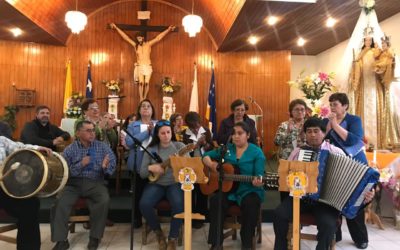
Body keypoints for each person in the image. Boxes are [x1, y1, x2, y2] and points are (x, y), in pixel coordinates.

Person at [273, 117, 375, 250]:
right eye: (309, 131)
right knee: (279, 214)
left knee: (328, 225)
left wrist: (366, 194)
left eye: (316, 131)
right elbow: (287, 176)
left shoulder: (336, 152)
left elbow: (351, 179)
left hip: (326, 203)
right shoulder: (297, 152)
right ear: (305, 134)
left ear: (323, 133)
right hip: (300, 198)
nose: (313, 135)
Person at [50, 120, 116, 250]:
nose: (92, 133)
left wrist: (105, 168)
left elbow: (112, 163)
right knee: (59, 204)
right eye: (88, 130)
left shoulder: (102, 147)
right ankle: (61, 240)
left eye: (93, 130)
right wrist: (81, 164)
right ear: (79, 133)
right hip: (73, 184)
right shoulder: (70, 149)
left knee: (103, 200)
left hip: (95, 182)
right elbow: (66, 171)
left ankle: (94, 238)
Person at [203, 122, 265, 250]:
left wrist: (258, 181)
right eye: (233, 133)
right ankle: (216, 243)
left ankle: (247, 243)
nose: (236, 136)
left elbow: (260, 176)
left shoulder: (257, 152)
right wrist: (212, 165)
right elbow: (205, 156)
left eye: (240, 133)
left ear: (248, 135)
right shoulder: (226, 149)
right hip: (229, 190)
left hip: (249, 190)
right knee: (216, 200)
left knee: (251, 203)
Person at [323, 92, 370, 249]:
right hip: (335, 164)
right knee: (334, 199)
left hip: (354, 163)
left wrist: (335, 125)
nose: (332, 108)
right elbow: (322, 139)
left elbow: (353, 140)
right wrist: (328, 126)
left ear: (345, 106)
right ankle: (335, 234)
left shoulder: (353, 120)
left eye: (335, 104)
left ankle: (360, 238)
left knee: (354, 199)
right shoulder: (326, 120)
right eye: (331, 104)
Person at [139, 120, 186, 250]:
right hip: (156, 183)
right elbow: (142, 173)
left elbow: (188, 169)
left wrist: (178, 163)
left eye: (168, 132)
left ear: (172, 132)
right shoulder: (151, 149)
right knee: (144, 204)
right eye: (162, 133)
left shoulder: (180, 146)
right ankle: (158, 232)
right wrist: (151, 167)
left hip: (174, 183)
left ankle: (173, 237)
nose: (166, 135)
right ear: (157, 135)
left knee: (178, 204)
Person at [0, 133, 52, 250]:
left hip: (3, 189)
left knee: (30, 204)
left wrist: (37, 148)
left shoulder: (1, 141)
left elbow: (19, 147)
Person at [110, 23, 176, 100]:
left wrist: (168, 30)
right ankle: (141, 98)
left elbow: (158, 38)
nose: (139, 40)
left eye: (140, 38)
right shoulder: (135, 45)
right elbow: (126, 38)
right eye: (138, 39)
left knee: (146, 83)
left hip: (148, 65)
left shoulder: (148, 44)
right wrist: (116, 28)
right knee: (141, 83)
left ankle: (144, 97)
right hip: (140, 66)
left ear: (143, 38)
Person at [125, 99, 157, 228]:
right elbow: (129, 142)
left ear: (152, 110)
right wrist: (146, 132)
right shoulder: (133, 125)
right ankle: (136, 218)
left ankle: (151, 218)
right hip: (137, 162)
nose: (145, 108)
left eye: (148, 106)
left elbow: (162, 140)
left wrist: (153, 131)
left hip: (154, 161)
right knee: (137, 192)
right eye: (143, 106)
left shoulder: (158, 124)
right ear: (139, 110)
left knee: (153, 191)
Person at [182, 111, 213, 228]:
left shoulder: (206, 131)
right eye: (192, 127)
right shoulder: (184, 134)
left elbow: (211, 148)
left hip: (203, 164)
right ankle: (190, 217)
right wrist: (195, 145)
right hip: (189, 165)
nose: (195, 129)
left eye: (197, 126)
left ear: (199, 123)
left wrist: (204, 143)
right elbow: (183, 151)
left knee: (202, 191)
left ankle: (200, 218)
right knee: (190, 191)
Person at [350, 36, 383, 148]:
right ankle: (363, 143)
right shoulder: (361, 54)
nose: (367, 42)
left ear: (372, 41)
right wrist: (355, 64)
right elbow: (357, 66)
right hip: (364, 85)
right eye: (365, 40)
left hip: (374, 84)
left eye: (369, 40)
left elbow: (382, 62)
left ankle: (378, 143)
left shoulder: (376, 52)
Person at [374, 36, 399, 148]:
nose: (383, 46)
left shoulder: (390, 54)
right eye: (382, 44)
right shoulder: (383, 55)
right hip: (386, 85)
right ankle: (390, 138)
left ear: (388, 45)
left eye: (384, 44)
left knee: (392, 109)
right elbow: (380, 67)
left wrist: (379, 66)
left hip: (391, 84)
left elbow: (386, 65)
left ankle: (394, 138)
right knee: (388, 110)